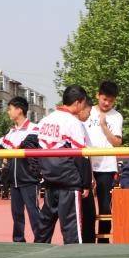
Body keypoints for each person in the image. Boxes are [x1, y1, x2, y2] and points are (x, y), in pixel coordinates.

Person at [33, 85, 92, 245]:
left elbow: (33, 145)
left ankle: (36, 253)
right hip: (68, 180)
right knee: (72, 226)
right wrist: (86, 183)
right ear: (79, 103)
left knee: (45, 222)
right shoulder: (73, 123)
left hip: (49, 179)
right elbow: (82, 155)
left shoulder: (46, 120)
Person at [82, 80, 123, 244]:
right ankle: (88, 241)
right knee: (88, 208)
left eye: (111, 101)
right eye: (104, 99)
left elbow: (117, 142)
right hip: (88, 165)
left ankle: (104, 242)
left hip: (107, 167)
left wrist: (104, 126)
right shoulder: (87, 111)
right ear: (98, 95)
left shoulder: (117, 116)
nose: (107, 103)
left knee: (105, 208)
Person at [0, 95, 42, 243]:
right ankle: (18, 240)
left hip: (29, 179)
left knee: (33, 212)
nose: (8, 112)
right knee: (16, 214)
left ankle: (41, 239)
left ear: (19, 110)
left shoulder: (35, 129)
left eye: (10, 109)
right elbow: (2, 149)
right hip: (14, 180)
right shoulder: (10, 133)